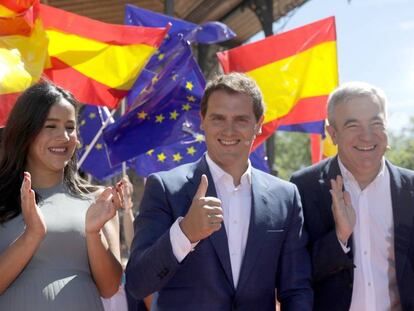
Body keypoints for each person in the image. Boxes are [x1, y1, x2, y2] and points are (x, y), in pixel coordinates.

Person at [125, 72, 313, 310]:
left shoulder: (286, 197)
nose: (229, 130)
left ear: (259, 124)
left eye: (241, 120)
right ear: (202, 120)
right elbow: (137, 283)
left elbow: (296, 290)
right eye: (218, 118)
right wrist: (184, 234)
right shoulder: (165, 188)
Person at [0, 81, 124, 310]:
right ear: (26, 132)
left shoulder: (98, 200)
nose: (64, 136)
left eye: (70, 127)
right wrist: (32, 235)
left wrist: (93, 232)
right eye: (50, 126)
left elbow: (110, 286)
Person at [290, 81, 414, 311]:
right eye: (353, 126)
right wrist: (339, 238)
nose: (367, 136)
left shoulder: (411, 189)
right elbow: (294, 276)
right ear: (333, 133)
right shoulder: (303, 188)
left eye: (376, 123)